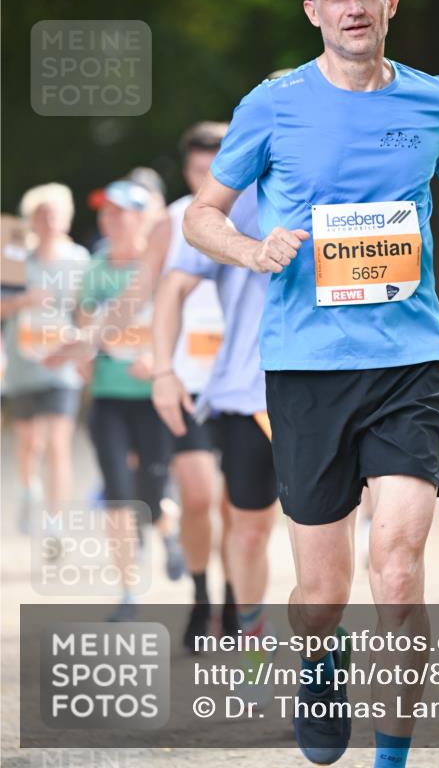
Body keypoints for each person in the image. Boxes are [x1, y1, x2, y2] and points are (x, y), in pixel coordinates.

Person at [183, 0, 439, 767]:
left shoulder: (435, 100)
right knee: (322, 595)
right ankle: (320, 662)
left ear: (390, 2)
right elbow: (201, 217)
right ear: (314, 13)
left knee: (396, 569)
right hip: (305, 366)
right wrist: (249, 249)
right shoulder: (273, 102)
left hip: (408, 359)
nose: (353, 6)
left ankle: (392, 757)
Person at [151, 179, 277, 658]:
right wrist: (164, 369)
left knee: (324, 534)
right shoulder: (227, 207)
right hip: (247, 397)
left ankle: (320, 654)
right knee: (247, 529)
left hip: (329, 393)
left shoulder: (353, 189)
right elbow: (170, 284)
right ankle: (248, 633)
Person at [48, 179, 184, 620]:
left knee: (151, 486)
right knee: (119, 496)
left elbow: (182, 323)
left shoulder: (162, 266)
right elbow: (86, 321)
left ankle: (167, 530)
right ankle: (129, 590)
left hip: (153, 398)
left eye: (118, 211)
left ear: (142, 216)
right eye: (104, 212)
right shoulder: (96, 268)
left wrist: (155, 357)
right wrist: (81, 355)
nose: (109, 219)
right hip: (108, 396)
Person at [1, 183, 89, 539]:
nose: (50, 220)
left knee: (56, 444)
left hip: (62, 365)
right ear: (31, 220)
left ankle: (56, 525)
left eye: (56, 213)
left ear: (66, 218)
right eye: (42, 214)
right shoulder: (16, 258)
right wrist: (24, 302)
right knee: (29, 443)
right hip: (23, 363)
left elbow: (88, 311)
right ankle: (28, 490)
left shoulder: (81, 260)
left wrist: (85, 349)